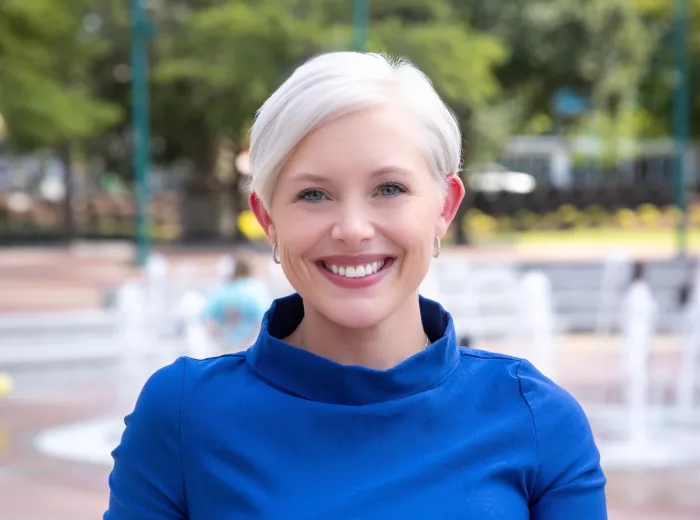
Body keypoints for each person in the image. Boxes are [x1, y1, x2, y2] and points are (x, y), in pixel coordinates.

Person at [105, 52, 607, 519]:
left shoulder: (538, 420)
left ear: (445, 208)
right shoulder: (181, 415)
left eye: (389, 189)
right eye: (313, 193)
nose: (353, 228)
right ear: (267, 218)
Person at [200, 253, 271, 352]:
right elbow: (265, 318)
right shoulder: (256, 288)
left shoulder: (219, 290)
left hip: (223, 347)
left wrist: (219, 338)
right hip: (249, 347)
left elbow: (206, 318)